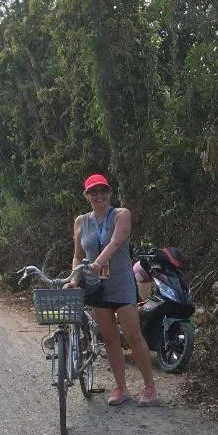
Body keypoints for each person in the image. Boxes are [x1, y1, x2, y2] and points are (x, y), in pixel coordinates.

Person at [69, 174, 159, 407]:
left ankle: (150, 387)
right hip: (96, 286)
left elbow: (116, 242)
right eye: (93, 192)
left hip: (120, 283)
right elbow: (79, 255)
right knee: (109, 338)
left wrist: (98, 262)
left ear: (110, 192)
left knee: (132, 334)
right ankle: (121, 387)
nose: (98, 195)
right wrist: (74, 277)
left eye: (103, 190)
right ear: (86, 195)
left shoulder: (121, 214)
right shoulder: (81, 221)